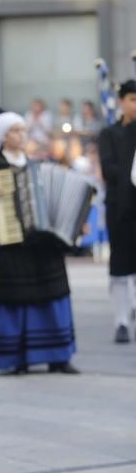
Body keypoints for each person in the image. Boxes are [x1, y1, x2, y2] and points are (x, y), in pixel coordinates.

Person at [0, 112, 79, 374]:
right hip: (11, 244)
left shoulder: (37, 166)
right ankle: (17, 358)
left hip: (43, 243)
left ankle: (59, 357)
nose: (22, 135)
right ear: (2, 136)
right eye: (15, 131)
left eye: (23, 130)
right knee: (15, 299)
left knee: (54, 293)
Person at [98, 79, 136, 342]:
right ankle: (121, 321)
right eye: (132, 99)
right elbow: (109, 170)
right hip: (120, 209)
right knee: (120, 267)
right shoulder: (109, 133)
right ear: (121, 102)